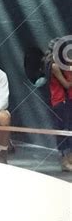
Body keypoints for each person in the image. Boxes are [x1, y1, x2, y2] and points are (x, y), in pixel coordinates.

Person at [46, 39, 72, 172]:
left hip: (68, 100)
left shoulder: (65, 63)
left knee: (69, 129)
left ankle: (70, 157)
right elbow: (66, 84)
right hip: (60, 101)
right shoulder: (55, 66)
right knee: (62, 130)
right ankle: (64, 160)